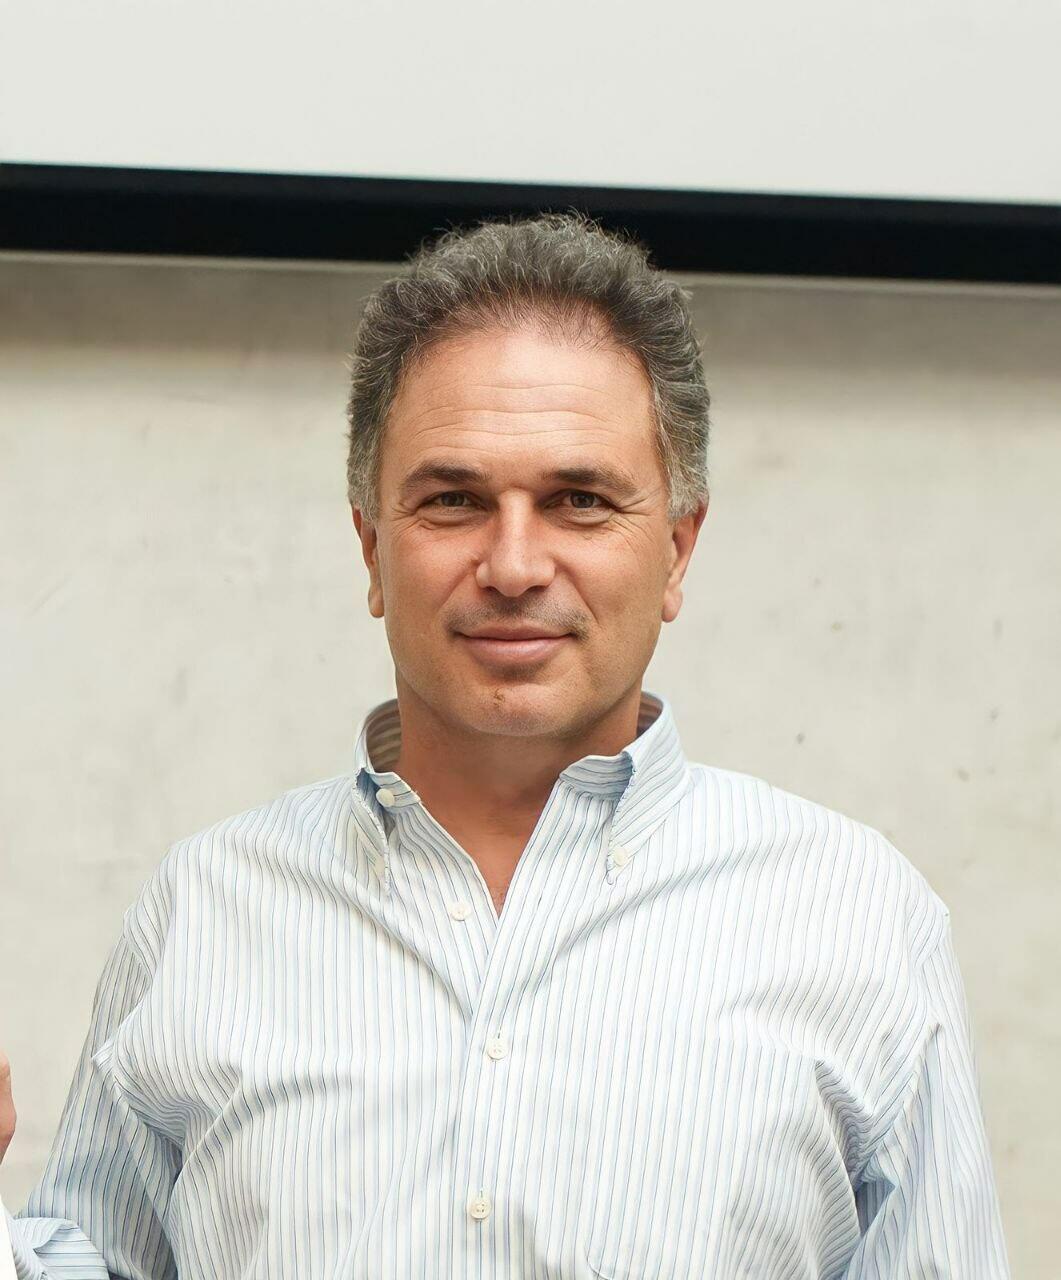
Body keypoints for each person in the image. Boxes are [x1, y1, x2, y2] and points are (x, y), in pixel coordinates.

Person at [0, 211, 1011, 1279]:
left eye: (579, 500)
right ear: (372, 548)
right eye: (454, 501)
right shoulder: (202, 908)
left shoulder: (856, 916)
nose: (515, 565)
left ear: (675, 550)